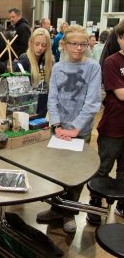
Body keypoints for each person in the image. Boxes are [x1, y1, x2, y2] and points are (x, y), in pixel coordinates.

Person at [37, 24, 101, 234]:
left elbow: (92, 103)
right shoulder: (57, 68)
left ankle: (69, 213)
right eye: (74, 43)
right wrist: (56, 124)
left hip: (79, 133)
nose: (79, 48)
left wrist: (74, 128)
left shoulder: (93, 67)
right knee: (57, 173)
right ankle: (56, 208)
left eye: (83, 44)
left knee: (76, 175)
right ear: (64, 45)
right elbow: (52, 98)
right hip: (59, 130)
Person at [87, 21, 124, 225]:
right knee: (103, 166)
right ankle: (94, 203)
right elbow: (120, 94)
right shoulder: (112, 62)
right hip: (113, 125)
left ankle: (120, 203)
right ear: (119, 39)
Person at [12, 28, 53, 117]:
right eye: (37, 44)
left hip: (42, 110)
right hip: (27, 111)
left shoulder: (48, 61)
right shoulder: (24, 61)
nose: (40, 48)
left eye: (43, 45)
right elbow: (19, 92)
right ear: (31, 43)